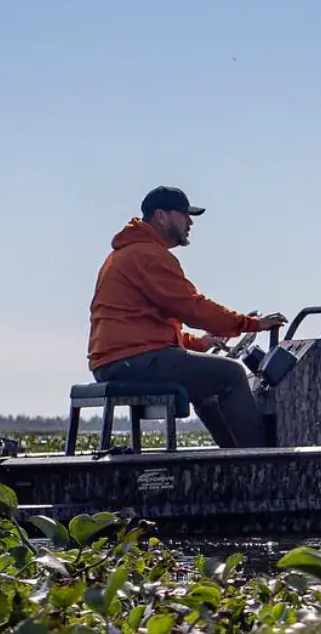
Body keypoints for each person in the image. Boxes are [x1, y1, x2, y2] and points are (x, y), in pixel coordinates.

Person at [87, 186, 284, 449]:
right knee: (232, 375)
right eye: (184, 214)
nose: (190, 222)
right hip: (133, 360)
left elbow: (146, 322)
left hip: (120, 359)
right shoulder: (148, 255)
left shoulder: (125, 254)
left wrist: (197, 344)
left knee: (205, 386)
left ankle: (234, 460)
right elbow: (191, 307)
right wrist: (251, 324)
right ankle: (263, 463)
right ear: (161, 216)